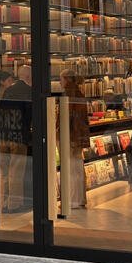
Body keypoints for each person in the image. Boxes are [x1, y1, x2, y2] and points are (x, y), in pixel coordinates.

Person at [0, 66, 31, 213]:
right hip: (19, 136)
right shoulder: (29, 91)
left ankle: (5, 203)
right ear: (29, 77)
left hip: (3, 135)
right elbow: (30, 115)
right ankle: (14, 204)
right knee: (16, 171)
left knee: (5, 172)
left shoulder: (8, 90)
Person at [59, 68, 89, 209]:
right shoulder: (79, 93)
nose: (59, 82)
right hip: (78, 136)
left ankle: (72, 200)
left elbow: (69, 118)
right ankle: (80, 199)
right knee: (77, 168)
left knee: (71, 169)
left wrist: (65, 134)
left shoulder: (69, 94)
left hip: (71, 136)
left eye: (61, 79)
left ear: (66, 79)